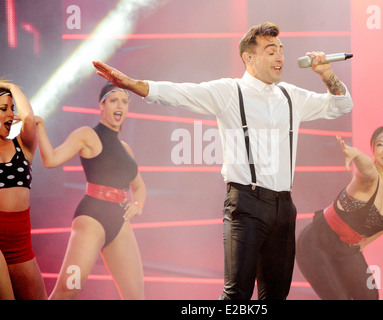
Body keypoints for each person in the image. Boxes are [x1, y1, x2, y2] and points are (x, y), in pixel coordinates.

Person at [92, 21, 353, 300]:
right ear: (248, 57)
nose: (280, 57)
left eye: (281, 49)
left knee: (275, 297)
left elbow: (341, 105)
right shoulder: (230, 91)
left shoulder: (291, 96)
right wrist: (135, 85)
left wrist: (326, 73)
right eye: (270, 50)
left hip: (284, 207)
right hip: (246, 204)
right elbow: (179, 93)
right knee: (236, 297)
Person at [35, 82, 146, 299]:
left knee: (136, 297)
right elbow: (51, 160)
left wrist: (138, 204)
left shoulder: (126, 149)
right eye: (114, 100)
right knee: (69, 288)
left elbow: (139, 186)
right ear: (102, 105)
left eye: (124, 102)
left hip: (120, 221)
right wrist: (40, 127)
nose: (120, 106)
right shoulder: (87, 134)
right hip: (92, 218)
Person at [296, 124, 383, 300]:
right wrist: (356, 155)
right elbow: (366, 167)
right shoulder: (370, 177)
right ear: (373, 150)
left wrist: (365, 241)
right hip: (316, 241)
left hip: (346, 248)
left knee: (370, 296)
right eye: (380, 144)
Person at [0, 81, 47, 299]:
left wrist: (11, 86)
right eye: (3, 109)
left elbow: (28, 119)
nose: (11, 115)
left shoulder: (23, 146)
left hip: (20, 248)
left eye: (12, 109)